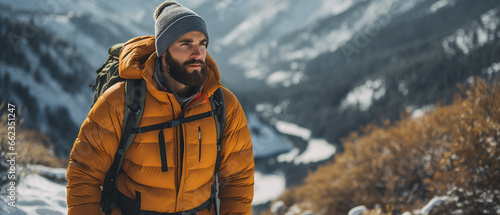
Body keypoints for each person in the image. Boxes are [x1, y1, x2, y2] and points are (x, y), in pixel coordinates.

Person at [66, 1, 255, 215]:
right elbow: (84, 174)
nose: (197, 53)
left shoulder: (222, 103)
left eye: (202, 43)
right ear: (163, 51)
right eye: (185, 44)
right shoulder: (122, 101)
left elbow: (238, 180)